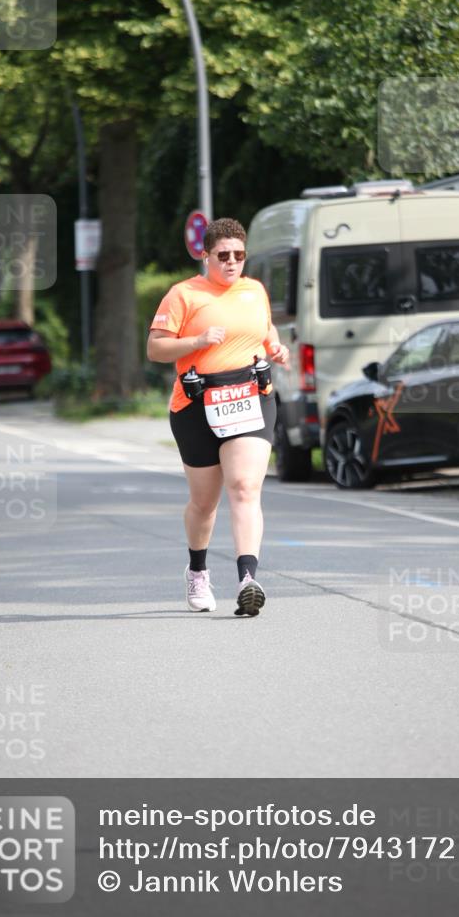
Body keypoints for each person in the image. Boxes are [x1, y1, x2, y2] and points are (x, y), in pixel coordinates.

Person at [147, 218, 289, 618]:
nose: (232, 262)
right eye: (223, 255)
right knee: (204, 503)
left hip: (249, 398)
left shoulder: (254, 291)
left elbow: (266, 330)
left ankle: (248, 580)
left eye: (239, 255)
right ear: (205, 255)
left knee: (244, 486)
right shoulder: (184, 295)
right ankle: (197, 571)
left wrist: (276, 348)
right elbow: (155, 348)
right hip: (196, 406)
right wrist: (197, 341)